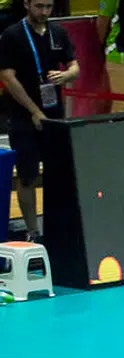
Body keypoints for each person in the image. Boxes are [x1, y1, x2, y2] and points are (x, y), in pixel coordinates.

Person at [0, 0, 76, 242]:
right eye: (39, 6)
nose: (44, 12)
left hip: (55, 115)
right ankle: (33, 231)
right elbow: (7, 77)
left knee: (59, 173)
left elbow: (74, 65)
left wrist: (66, 75)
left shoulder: (58, 32)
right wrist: (33, 110)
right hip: (23, 117)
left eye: (48, 7)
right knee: (27, 174)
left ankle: (59, 230)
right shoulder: (12, 35)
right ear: (26, 4)